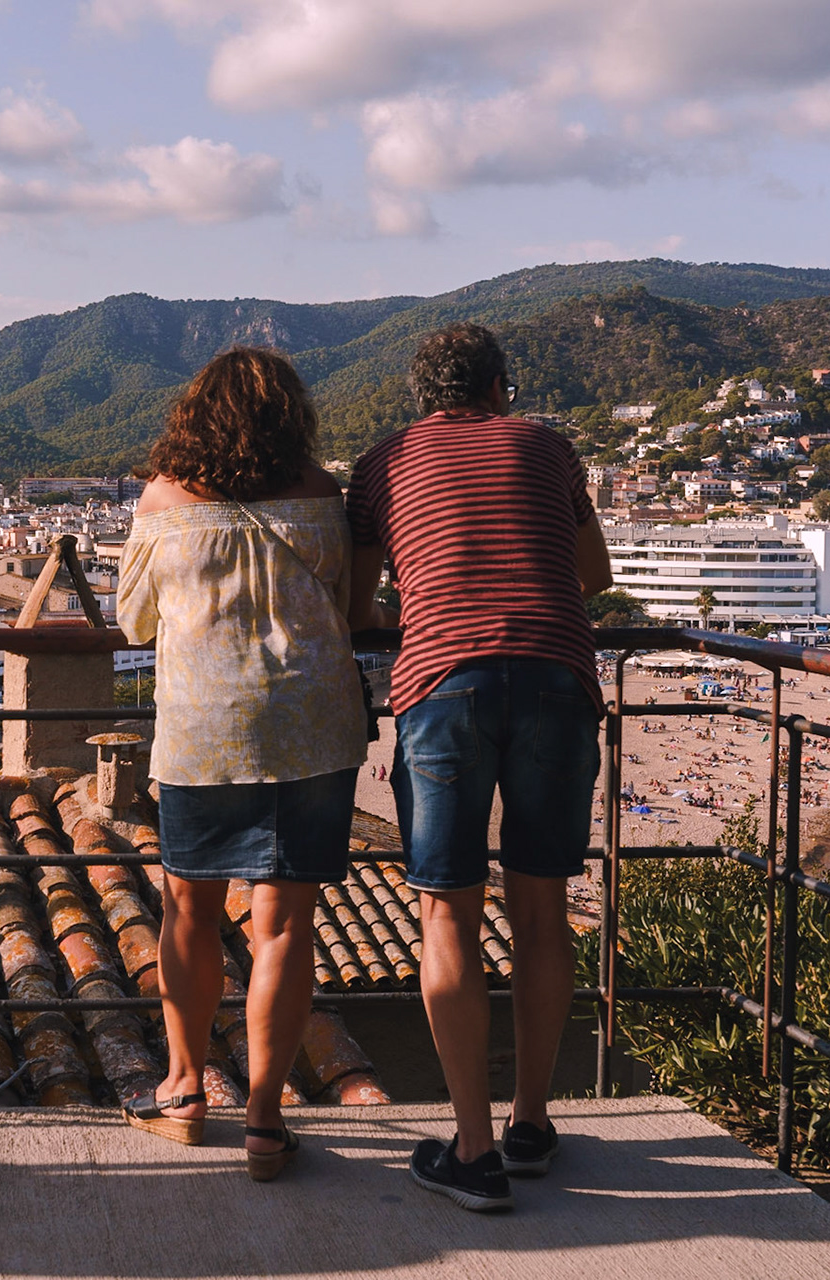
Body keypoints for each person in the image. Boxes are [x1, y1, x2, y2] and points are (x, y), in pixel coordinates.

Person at [346, 321, 611, 1212]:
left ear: (423, 396)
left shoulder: (382, 464)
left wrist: (428, 589)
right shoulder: (547, 446)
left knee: (446, 913)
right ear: (502, 386)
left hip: (444, 683)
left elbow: (356, 602)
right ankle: (532, 1121)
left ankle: (473, 1148)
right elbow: (595, 572)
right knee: (539, 908)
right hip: (556, 673)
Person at [116, 347, 369, 1182]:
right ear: (291, 415)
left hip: (204, 732)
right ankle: (265, 1118)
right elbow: (342, 604)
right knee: (285, 924)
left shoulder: (161, 501)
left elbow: (134, 623)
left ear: (194, 412)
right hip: (311, 729)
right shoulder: (319, 496)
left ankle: (185, 1091)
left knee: (188, 909)